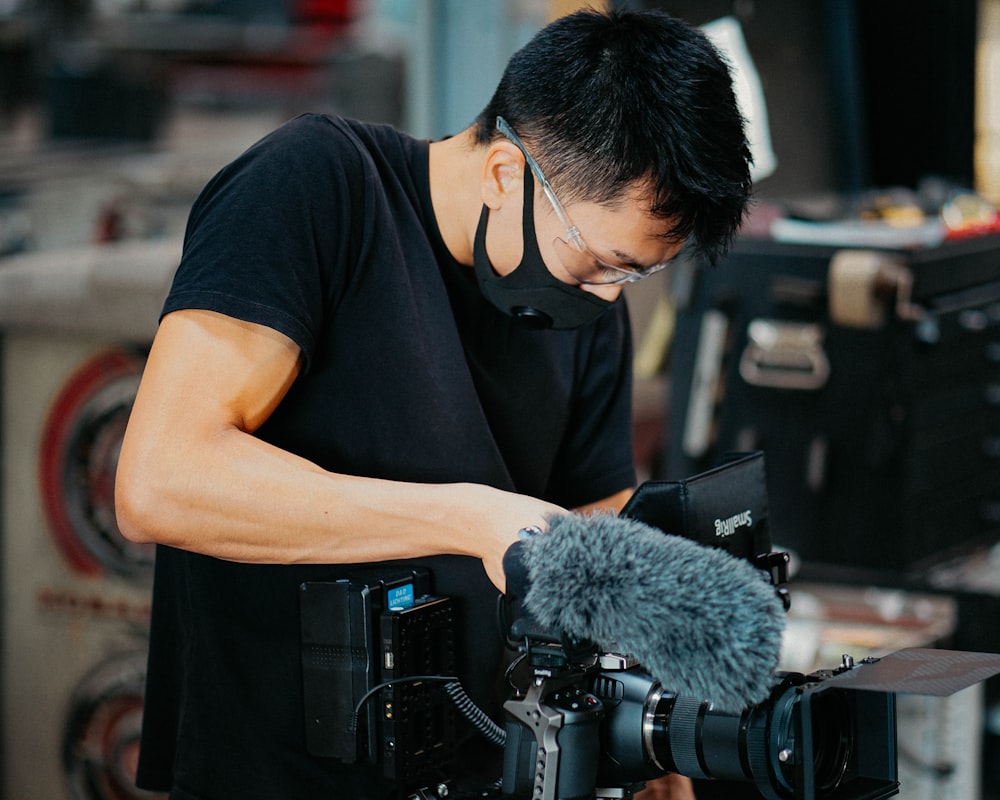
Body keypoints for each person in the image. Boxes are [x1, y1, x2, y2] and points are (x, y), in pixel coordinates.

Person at [115, 7, 752, 800]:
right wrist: (467, 518)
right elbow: (160, 479)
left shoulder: (586, 309)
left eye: (630, 276)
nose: (605, 293)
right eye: (601, 262)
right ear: (505, 175)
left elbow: (590, 514)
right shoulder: (318, 188)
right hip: (277, 773)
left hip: (480, 772)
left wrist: (647, 718)